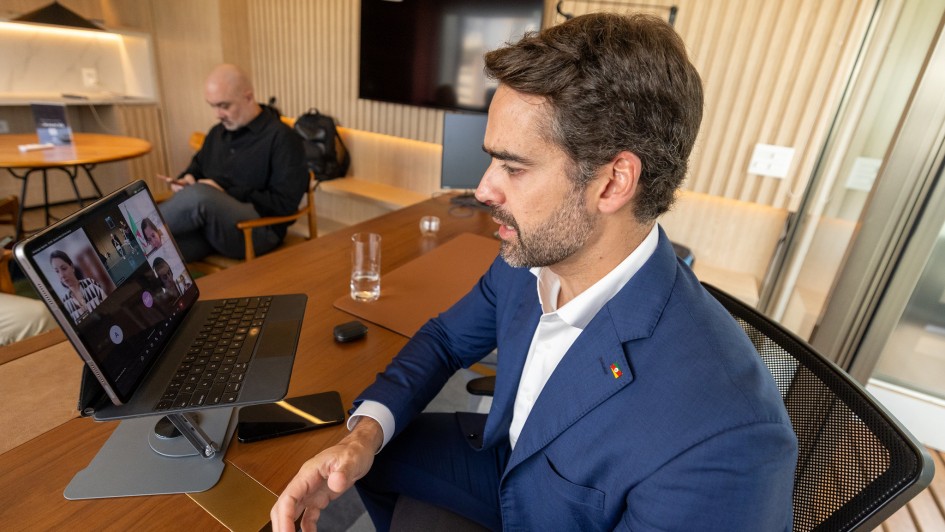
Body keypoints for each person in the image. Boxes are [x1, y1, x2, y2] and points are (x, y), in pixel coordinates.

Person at [272, 14, 798, 532]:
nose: (482, 190)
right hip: (508, 464)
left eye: (514, 167)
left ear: (613, 184)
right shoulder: (529, 265)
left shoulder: (728, 436)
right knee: (379, 455)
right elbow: (443, 339)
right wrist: (360, 438)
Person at [158, 63, 308, 262]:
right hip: (211, 229)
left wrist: (223, 191)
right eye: (213, 106)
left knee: (200, 196)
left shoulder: (282, 138)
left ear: (248, 97)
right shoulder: (217, 133)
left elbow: (285, 205)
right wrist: (187, 178)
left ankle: (133, 235)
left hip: (257, 230)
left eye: (224, 105)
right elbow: (197, 167)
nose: (217, 114)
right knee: (157, 256)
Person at [49, 250, 106, 324]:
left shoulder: (90, 283)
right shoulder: (65, 303)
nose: (61, 275)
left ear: (72, 267)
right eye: (57, 271)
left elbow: (110, 306)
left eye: (64, 268)